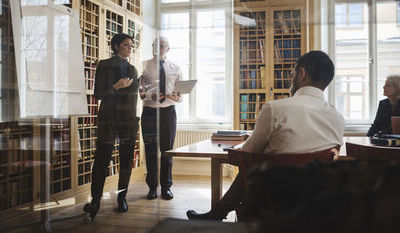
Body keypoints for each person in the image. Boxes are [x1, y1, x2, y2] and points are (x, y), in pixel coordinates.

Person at [186, 50, 345, 221]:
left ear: (301, 74)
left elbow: (248, 153)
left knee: (253, 166)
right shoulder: (338, 118)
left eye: (292, 73)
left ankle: (217, 213)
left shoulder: (275, 109)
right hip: (312, 197)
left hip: (270, 196)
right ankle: (217, 213)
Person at [83, 33, 139, 220]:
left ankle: (122, 198)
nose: (130, 48)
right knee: (101, 161)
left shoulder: (133, 70)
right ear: (116, 46)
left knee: (125, 162)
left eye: (131, 45)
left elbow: (133, 99)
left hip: (128, 121)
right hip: (108, 119)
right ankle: (96, 200)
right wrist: (116, 86)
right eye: (126, 45)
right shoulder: (104, 65)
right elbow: (98, 94)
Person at [139, 37, 182, 200]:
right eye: (155, 45)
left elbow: (180, 94)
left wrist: (177, 97)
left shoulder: (176, 67)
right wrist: (152, 94)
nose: (158, 48)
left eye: (162, 46)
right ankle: (152, 188)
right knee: (150, 151)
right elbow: (141, 92)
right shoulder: (144, 65)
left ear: (168, 49)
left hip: (168, 112)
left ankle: (166, 187)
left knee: (167, 151)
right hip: (150, 112)